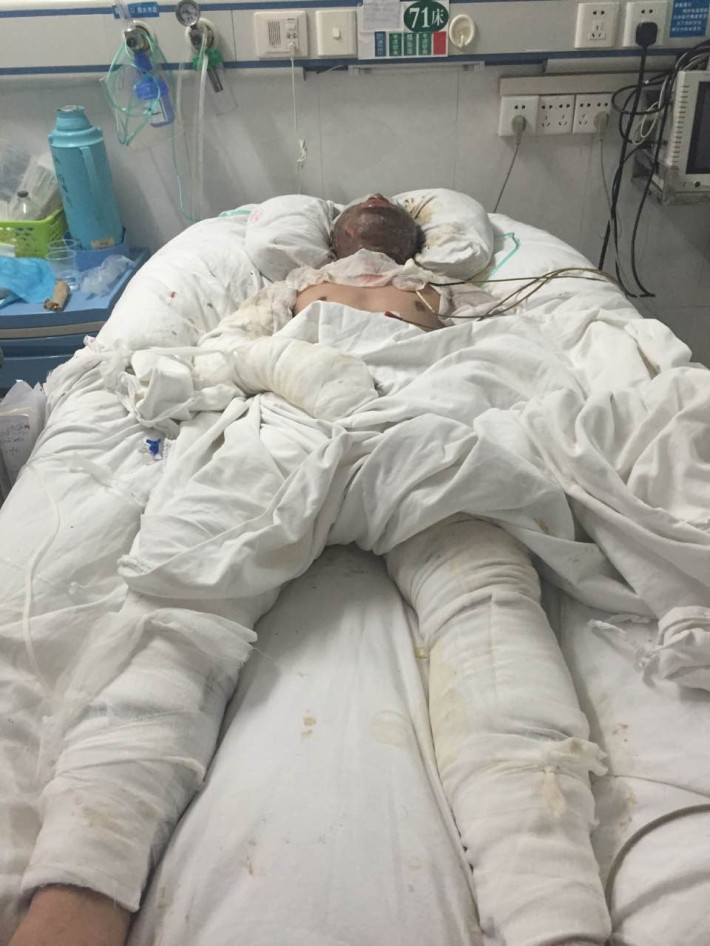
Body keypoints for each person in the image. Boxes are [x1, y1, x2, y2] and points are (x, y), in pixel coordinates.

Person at [8, 194, 607, 946]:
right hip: (291, 415)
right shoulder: (288, 288)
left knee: (487, 600)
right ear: (332, 238)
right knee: (184, 606)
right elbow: (224, 352)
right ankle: (79, 896)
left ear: (414, 242)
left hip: (419, 413)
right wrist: (297, 369)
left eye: (390, 207)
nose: (377, 200)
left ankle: (548, 905)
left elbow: (510, 352)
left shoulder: (444, 291)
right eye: (361, 206)